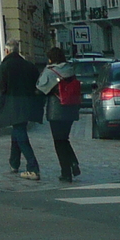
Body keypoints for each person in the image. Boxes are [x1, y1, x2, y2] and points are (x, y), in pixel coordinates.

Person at [0, 39, 42, 180]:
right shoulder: (29, 66)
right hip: (28, 103)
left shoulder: (4, 67)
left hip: (13, 103)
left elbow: (1, 89)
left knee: (20, 134)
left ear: (7, 51)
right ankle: (14, 162)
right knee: (17, 131)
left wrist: (0, 106)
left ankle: (33, 167)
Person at [36, 46, 82, 182]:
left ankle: (66, 172)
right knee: (64, 139)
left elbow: (40, 88)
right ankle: (73, 162)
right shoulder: (69, 69)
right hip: (71, 108)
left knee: (58, 141)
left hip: (56, 110)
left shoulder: (50, 71)